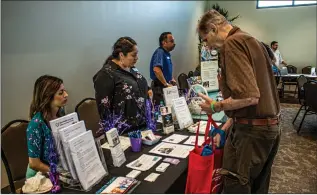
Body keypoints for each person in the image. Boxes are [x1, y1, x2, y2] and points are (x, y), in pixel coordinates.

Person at [197, 10, 281, 193]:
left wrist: (215, 106)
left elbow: (249, 97)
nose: (208, 47)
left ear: (213, 28)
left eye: (205, 40)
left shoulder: (232, 43)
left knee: (237, 185)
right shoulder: (251, 41)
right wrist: (226, 126)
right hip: (268, 129)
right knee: (258, 186)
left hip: (251, 133)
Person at [93, 37, 148, 135]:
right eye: (134, 55)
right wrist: (112, 136)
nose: (137, 58)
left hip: (142, 125)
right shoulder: (106, 74)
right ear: (122, 55)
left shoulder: (131, 69)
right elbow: (104, 109)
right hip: (124, 131)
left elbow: (139, 84)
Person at [26, 75, 68, 178]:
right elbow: (34, 164)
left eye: (65, 91)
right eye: (61, 93)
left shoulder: (60, 113)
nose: (66, 95)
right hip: (40, 176)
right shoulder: (36, 124)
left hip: (58, 167)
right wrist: (59, 173)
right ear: (47, 97)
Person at [150, 32, 176, 106]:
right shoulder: (160, 52)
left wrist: (171, 78)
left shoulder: (166, 53)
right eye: (171, 41)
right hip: (159, 87)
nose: (174, 43)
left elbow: (165, 70)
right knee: (163, 111)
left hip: (165, 85)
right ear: (164, 43)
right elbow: (156, 69)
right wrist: (165, 84)